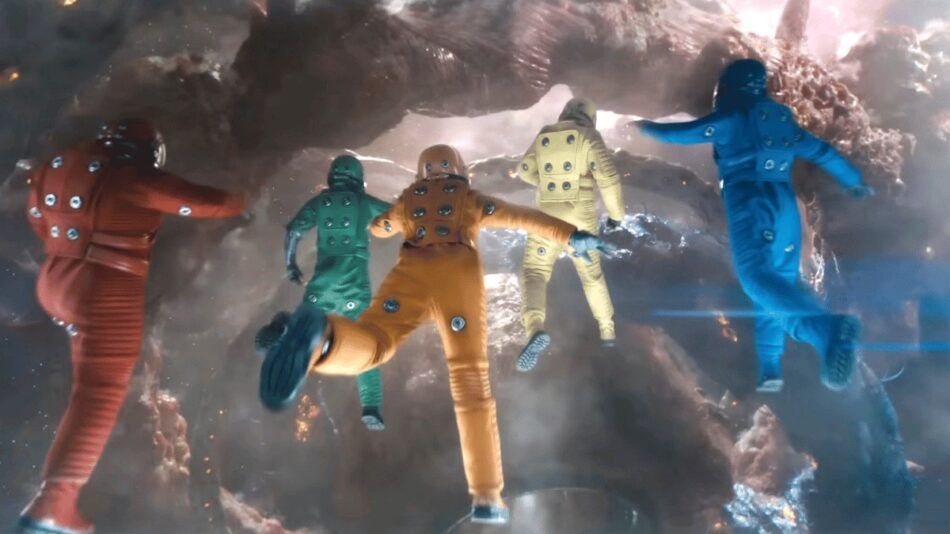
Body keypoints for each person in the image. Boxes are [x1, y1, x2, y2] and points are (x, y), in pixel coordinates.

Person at [258, 144, 615, 524]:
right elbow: (521, 216)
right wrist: (572, 236)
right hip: (455, 273)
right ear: (458, 168)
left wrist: (389, 222)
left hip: (410, 272)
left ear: (421, 171)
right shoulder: (468, 198)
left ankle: (325, 340)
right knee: (469, 379)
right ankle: (486, 496)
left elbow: (380, 227)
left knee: (376, 342)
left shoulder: (409, 200)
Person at [19, 119, 246, 534]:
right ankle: (53, 506)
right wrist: (242, 196)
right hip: (106, 286)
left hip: (55, 278)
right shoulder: (135, 179)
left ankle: (52, 500)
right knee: (98, 393)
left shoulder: (55, 166)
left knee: (85, 391)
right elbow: (211, 204)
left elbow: (36, 216)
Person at [633, 59, 874, 393]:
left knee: (755, 278)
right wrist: (854, 181)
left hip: (750, 202)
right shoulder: (782, 121)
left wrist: (645, 128)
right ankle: (776, 363)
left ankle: (827, 330)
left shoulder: (731, 117)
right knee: (777, 288)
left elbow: (683, 134)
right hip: (785, 206)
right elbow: (823, 153)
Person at [256, 155, 391, 430]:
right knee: (368, 345)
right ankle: (371, 405)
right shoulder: (363, 202)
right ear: (358, 178)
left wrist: (291, 266)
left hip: (322, 283)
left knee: (309, 332)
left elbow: (294, 232)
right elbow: (398, 217)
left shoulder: (320, 202)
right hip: (352, 283)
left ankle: (284, 329)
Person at [515, 97, 626, 371]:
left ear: (564, 112)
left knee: (534, 272)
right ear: (591, 117)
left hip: (547, 214)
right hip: (580, 214)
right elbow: (609, 179)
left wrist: (547, 183)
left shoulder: (545, 134)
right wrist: (616, 215)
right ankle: (607, 331)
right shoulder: (588, 136)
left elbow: (523, 170)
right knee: (591, 275)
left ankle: (534, 329)